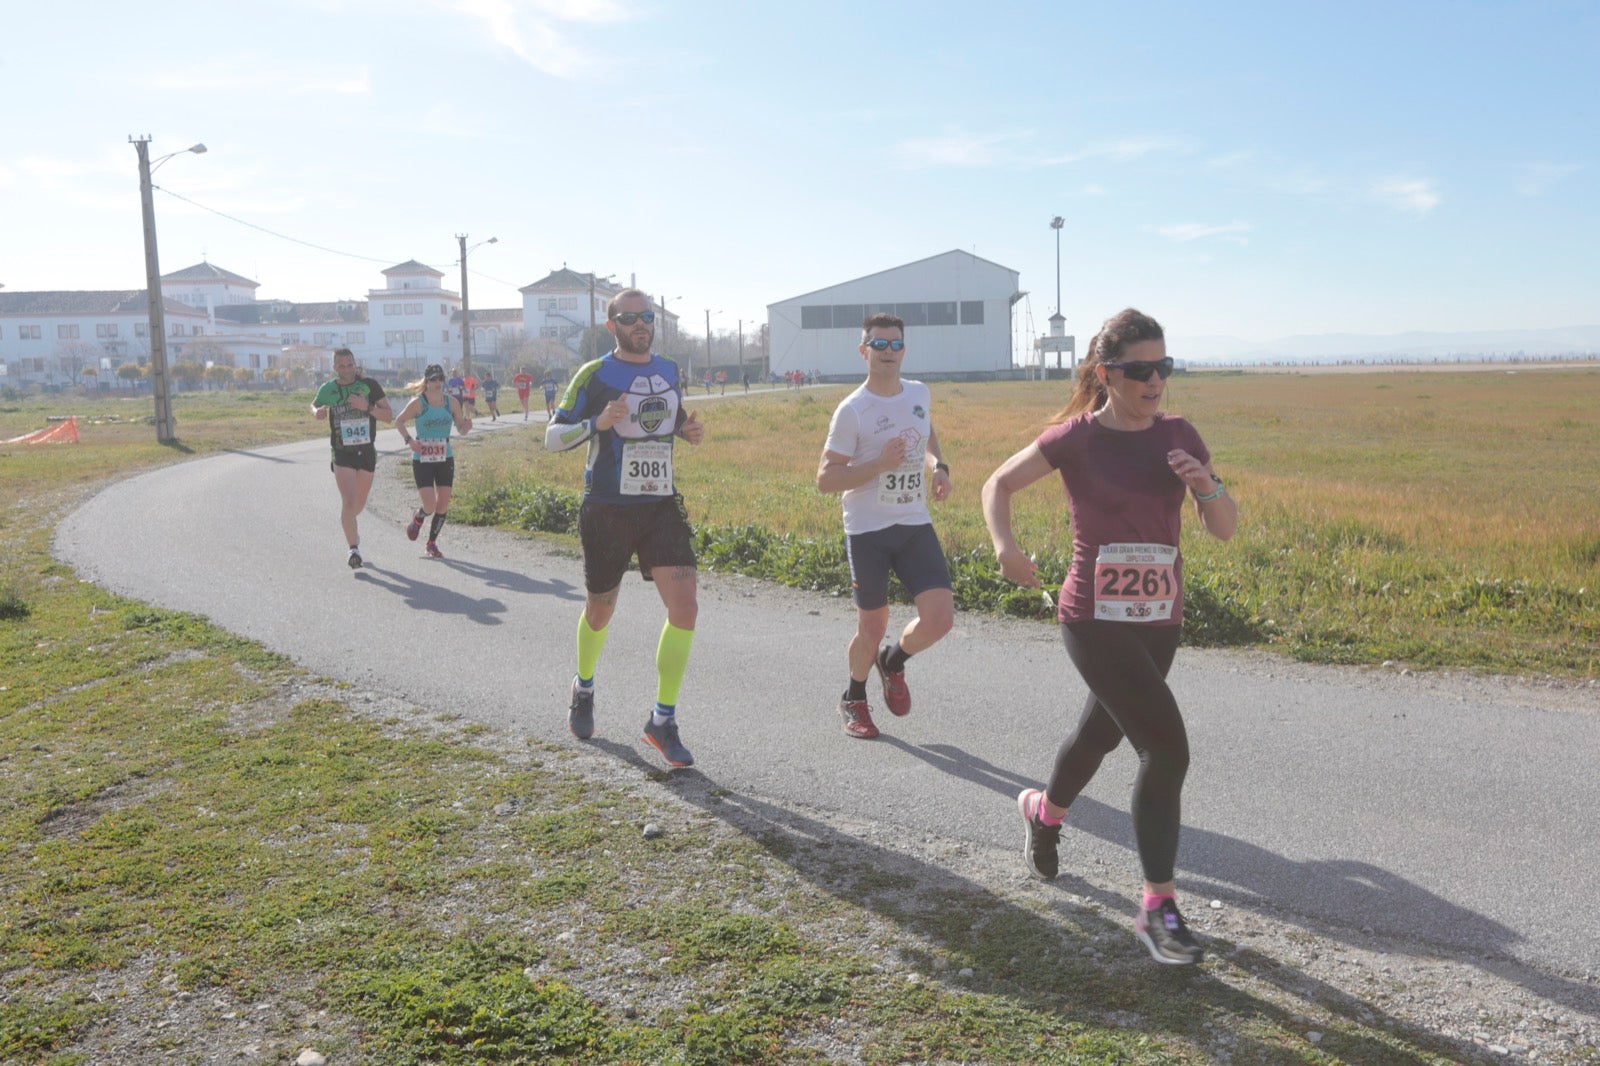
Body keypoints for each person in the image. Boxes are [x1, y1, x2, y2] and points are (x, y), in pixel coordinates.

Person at [981, 308, 1237, 966]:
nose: (1156, 381)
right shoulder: (1075, 439)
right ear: (1106, 373)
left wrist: (1207, 488)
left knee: (1101, 733)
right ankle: (1158, 908)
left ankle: (1044, 811)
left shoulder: (1179, 434)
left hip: (1161, 621)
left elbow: (1225, 528)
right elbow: (998, 484)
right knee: (1168, 750)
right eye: (1140, 369)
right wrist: (1004, 546)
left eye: (1164, 367)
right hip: (1093, 618)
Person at [544, 288, 706, 768]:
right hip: (608, 508)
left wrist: (684, 431)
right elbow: (553, 438)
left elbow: (664, 421)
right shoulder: (594, 374)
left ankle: (662, 720)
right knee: (600, 609)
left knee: (686, 606)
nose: (641, 324)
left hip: (659, 507)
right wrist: (597, 422)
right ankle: (584, 685)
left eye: (647, 317)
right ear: (611, 324)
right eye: (630, 317)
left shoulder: (671, 369)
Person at [816, 312, 954, 740]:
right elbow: (825, 479)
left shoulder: (918, 393)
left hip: (913, 521)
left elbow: (926, 432)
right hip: (868, 530)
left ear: (904, 349)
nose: (889, 351)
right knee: (871, 628)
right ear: (864, 351)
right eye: (879, 344)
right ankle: (854, 697)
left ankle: (892, 662)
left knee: (940, 619)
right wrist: (878, 465)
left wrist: (937, 466)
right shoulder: (852, 410)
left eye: (896, 344)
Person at [310, 348, 393, 568]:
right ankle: (353, 549)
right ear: (334, 368)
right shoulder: (328, 389)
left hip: (365, 451)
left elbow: (389, 416)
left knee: (358, 504)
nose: (346, 369)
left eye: (349, 364)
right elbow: (315, 404)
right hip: (341, 452)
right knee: (348, 501)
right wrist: (316, 412)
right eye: (341, 365)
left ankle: (350, 525)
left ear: (355, 364)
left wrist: (367, 407)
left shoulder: (369, 386)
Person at [393, 363, 473, 559]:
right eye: (434, 379)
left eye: (441, 379)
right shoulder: (419, 403)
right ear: (426, 382)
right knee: (429, 505)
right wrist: (409, 441)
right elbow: (399, 421)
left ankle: (431, 543)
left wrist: (466, 427)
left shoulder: (451, 402)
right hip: (422, 458)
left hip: (445, 456)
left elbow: (461, 429)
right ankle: (419, 516)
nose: (438, 383)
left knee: (443, 505)